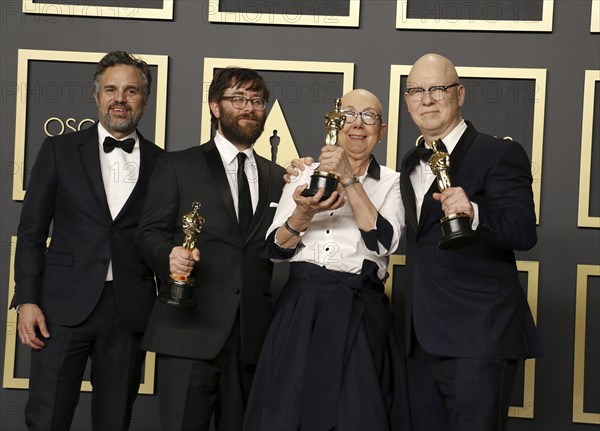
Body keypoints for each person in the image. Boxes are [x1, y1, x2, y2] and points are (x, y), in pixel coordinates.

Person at [11, 51, 164, 430]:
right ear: (95, 97)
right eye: (111, 89)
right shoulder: (59, 150)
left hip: (128, 310)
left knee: (114, 420)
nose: (120, 98)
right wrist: (27, 299)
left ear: (144, 100)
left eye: (131, 90)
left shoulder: (165, 164)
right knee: (47, 417)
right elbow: (31, 231)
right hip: (61, 307)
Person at [244, 89, 412, 431]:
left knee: (357, 416)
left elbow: (382, 241)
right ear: (335, 123)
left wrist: (348, 177)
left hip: (359, 309)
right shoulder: (303, 175)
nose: (358, 124)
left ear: (381, 132)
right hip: (302, 307)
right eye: (349, 114)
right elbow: (276, 250)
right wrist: (303, 212)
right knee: (285, 414)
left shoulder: (394, 182)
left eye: (369, 116)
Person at [396, 53, 542, 431]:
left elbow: (524, 231)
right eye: (416, 90)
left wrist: (474, 212)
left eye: (438, 89)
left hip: (478, 339)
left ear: (459, 94)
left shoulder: (498, 153)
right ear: (407, 99)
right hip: (417, 341)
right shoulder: (410, 162)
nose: (427, 99)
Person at [134, 67, 286, 430]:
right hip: (188, 330)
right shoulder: (177, 165)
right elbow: (147, 235)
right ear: (215, 106)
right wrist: (167, 255)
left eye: (256, 101)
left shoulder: (279, 177)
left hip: (251, 337)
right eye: (238, 99)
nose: (249, 108)